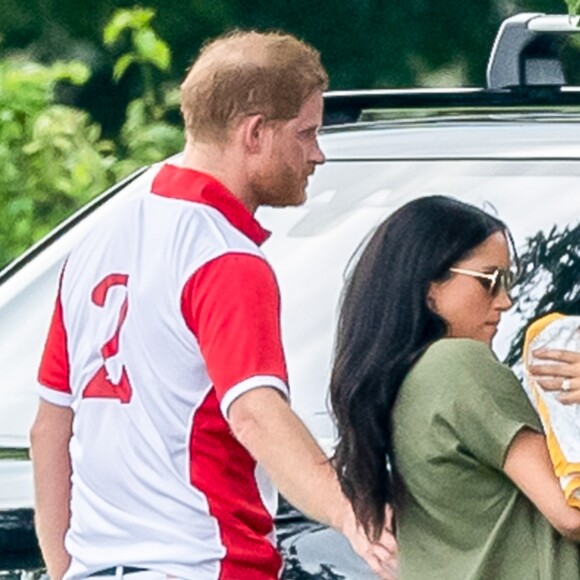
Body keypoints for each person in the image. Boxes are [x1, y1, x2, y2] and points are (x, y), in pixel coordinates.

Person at [29, 30, 397, 580]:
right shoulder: (223, 256)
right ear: (254, 133)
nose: (317, 154)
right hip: (203, 565)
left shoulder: (96, 240)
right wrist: (352, 514)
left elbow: (49, 429)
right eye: (306, 133)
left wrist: (65, 569)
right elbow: (254, 413)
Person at [329, 195, 580, 579]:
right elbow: (571, 514)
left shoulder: (398, 382)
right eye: (491, 281)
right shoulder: (460, 365)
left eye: (508, 282)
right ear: (430, 288)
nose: (506, 301)